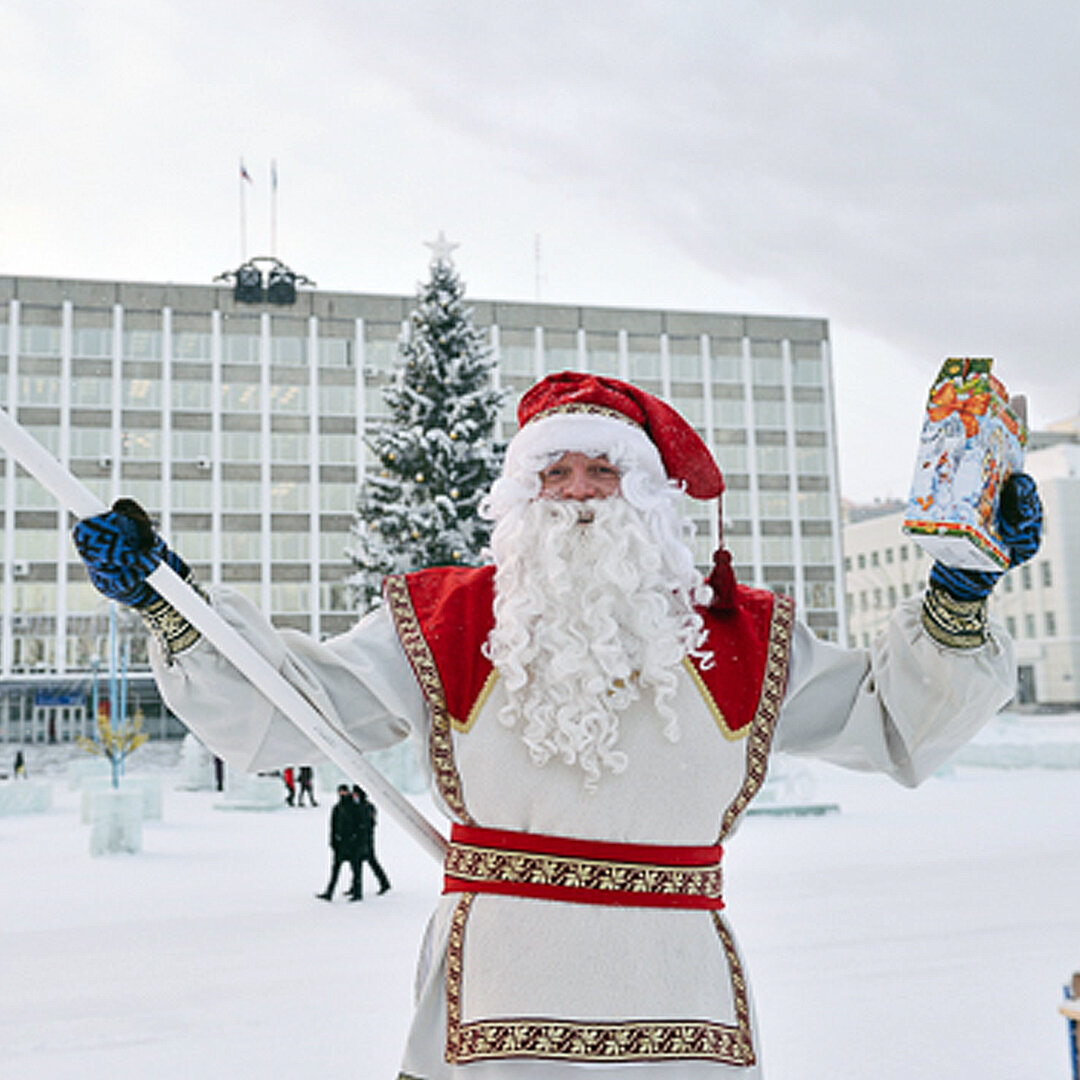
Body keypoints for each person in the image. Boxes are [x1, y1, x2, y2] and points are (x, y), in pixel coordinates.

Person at [72, 371, 1041, 1078]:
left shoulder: (741, 635)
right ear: (523, 493)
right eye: (557, 471)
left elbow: (890, 722)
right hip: (493, 1010)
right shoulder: (447, 621)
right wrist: (173, 604)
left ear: (651, 494)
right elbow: (301, 711)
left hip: (679, 1016)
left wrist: (958, 595)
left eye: (604, 470)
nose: (578, 490)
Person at [316, 784, 361, 902]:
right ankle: (329, 892)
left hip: (352, 844)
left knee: (355, 869)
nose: (342, 794)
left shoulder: (353, 807)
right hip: (340, 844)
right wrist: (333, 842)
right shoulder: (337, 807)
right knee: (336, 870)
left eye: (344, 791)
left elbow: (359, 824)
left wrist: (355, 839)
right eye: (340, 791)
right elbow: (333, 826)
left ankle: (357, 892)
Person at [351, 784, 390, 898]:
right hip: (363, 840)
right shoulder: (365, 806)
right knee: (368, 862)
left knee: (366, 862)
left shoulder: (366, 807)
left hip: (365, 840)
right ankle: (383, 883)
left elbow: (368, 824)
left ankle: (383, 883)